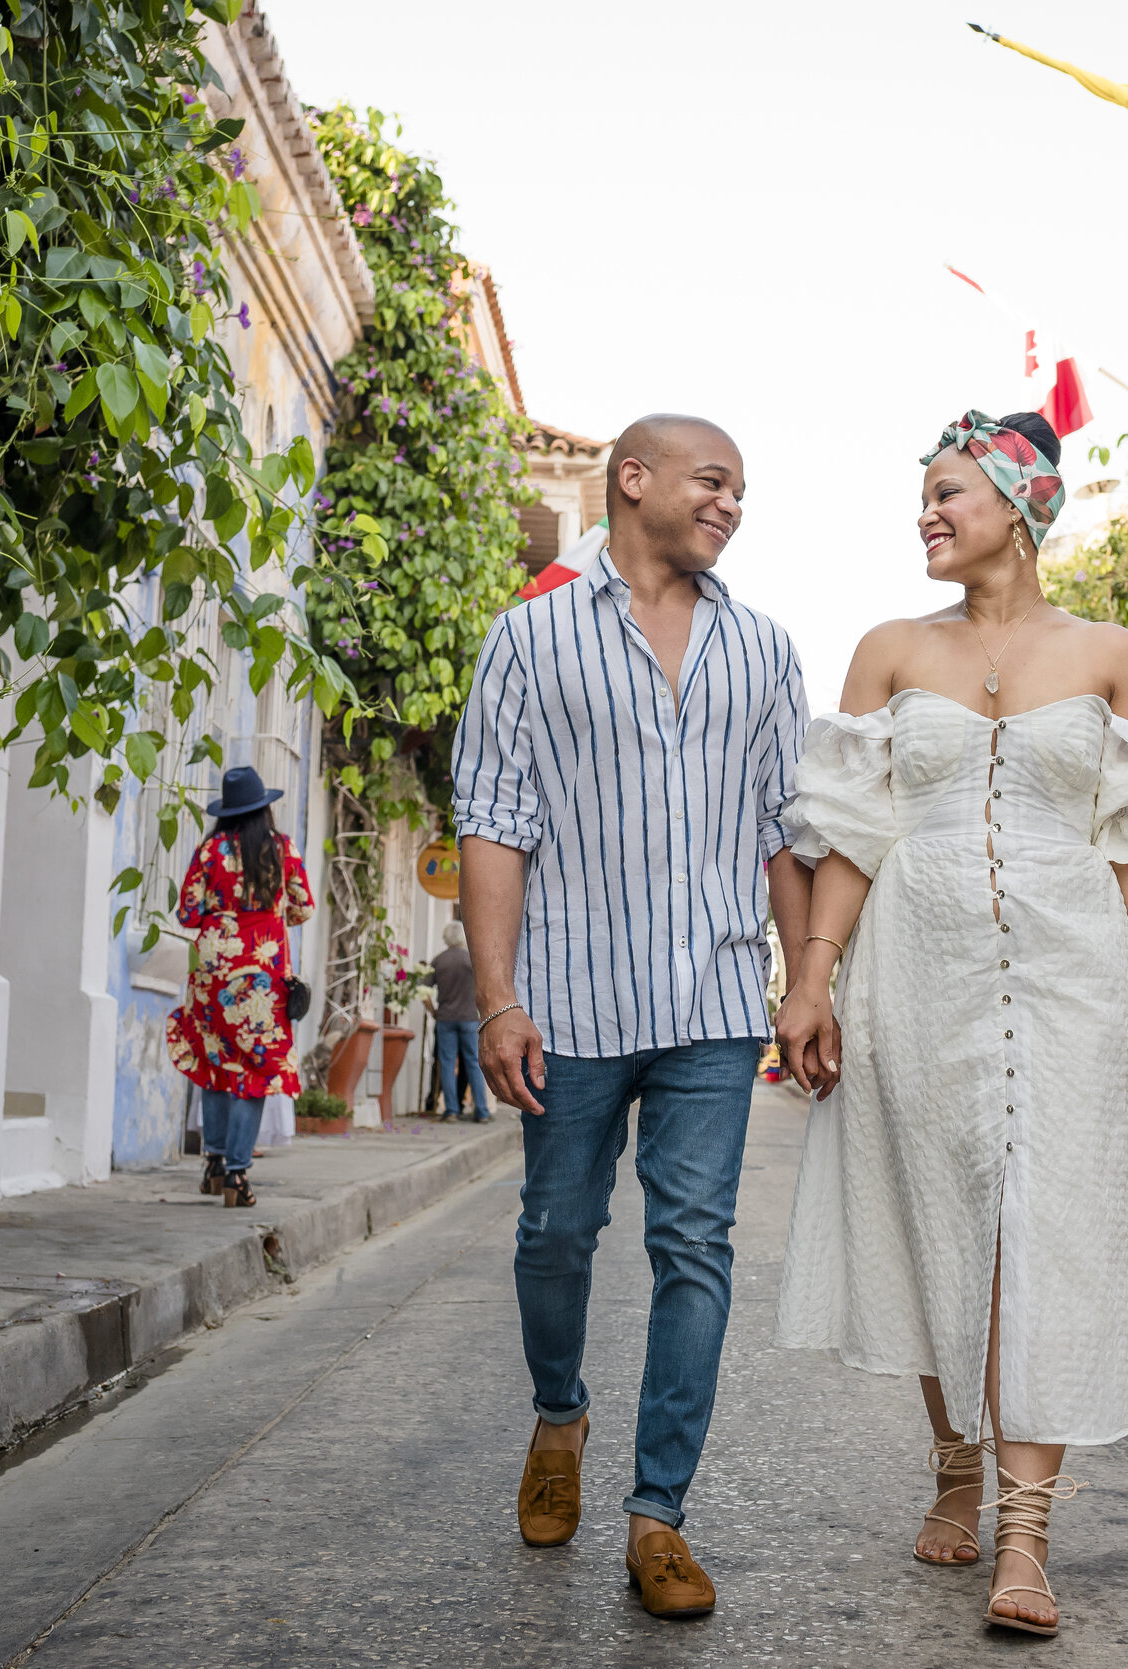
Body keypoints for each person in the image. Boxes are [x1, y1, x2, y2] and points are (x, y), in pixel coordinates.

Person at [772, 410, 1128, 1638]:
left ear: (1018, 506)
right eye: (922, 496)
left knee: (1046, 1224)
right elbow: (853, 830)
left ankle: (1024, 1536)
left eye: (947, 492)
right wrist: (813, 978)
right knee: (936, 1210)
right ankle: (953, 1459)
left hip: (1076, 970)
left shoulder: (1112, 653)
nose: (926, 513)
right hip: (916, 962)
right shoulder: (889, 649)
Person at [454, 413, 810, 1619]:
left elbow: (783, 833)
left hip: (713, 999)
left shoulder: (763, 651)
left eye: (742, 491)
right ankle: (560, 1412)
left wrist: (804, 978)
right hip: (570, 997)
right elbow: (493, 823)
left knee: (693, 1247)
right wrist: (499, 999)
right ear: (634, 479)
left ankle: (658, 1514)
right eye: (714, 482)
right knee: (554, 1232)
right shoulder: (529, 640)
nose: (730, 505)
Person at [164, 765, 315, 1208]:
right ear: (263, 809)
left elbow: (188, 913)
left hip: (213, 974)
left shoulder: (209, 850)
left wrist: (222, 913)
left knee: (215, 1060)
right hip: (262, 976)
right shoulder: (282, 849)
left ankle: (212, 1163)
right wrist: (267, 911)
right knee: (258, 1069)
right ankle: (236, 1175)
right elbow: (302, 909)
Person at [427, 921, 487, 1122]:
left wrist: (433, 1011)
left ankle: (451, 1110)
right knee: (473, 1063)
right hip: (470, 1018)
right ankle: (482, 1111)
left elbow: (424, 992)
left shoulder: (438, 960)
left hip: (445, 1019)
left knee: (446, 1063)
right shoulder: (471, 960)